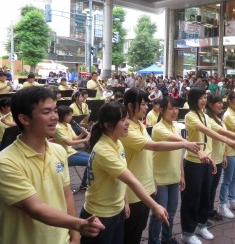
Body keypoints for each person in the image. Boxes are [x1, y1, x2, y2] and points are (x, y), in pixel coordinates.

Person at [0, 87, 104, 244]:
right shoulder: (6, 162)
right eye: (46, 112)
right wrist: (79, 224)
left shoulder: (58, 151)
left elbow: (67, 194)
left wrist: (75, 236)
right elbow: (35, 208)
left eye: (55, 111)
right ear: (24, 119)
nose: (55, 117)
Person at [80, 101, 169, 244]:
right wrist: (155, 206)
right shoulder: (104, 150)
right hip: (100, 215)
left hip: (115, 210)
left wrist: (125, 202)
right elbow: (131, 180)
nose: (127, 122)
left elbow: (120, 177)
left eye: (126, 118)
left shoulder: (117, 142)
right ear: (108, 125)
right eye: (122, 120)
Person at [121, 88, 201, 244]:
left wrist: (178, 174)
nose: (146, 108)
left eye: (146, 104)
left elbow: (151, 157)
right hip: (134, 190)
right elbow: (155, 147)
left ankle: (166, 238)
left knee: (147, 223)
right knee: (133, 230)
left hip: (148, 185)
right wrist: (187, 144)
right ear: (131, 106)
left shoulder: (140, 125)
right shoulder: (128, 128)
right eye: (142, 104)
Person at [181, 87, 235, 244]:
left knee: (205, 196)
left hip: (207, 161)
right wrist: (228, 141)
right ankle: (187, 233)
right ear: (193, 100)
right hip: (194, 163)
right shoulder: (190, 116)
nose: (203, 100)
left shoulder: (204, 115)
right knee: (192, 198)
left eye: (204, 97)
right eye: (200, 98)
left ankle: (201, 225)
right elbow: (207, 131)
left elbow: (219, 129)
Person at [53, 106, 91, 190]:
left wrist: (82, 133)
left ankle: (86, 183)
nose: (71, 117)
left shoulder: (68, 125)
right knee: (91, 161)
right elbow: (69, 143)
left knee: (93, 158)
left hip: (71, 152)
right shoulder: (58, 128)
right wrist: (85, 139)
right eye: (69, 115)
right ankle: (85, 185)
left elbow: (74, 139)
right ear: (63, 116)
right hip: (64, 156)